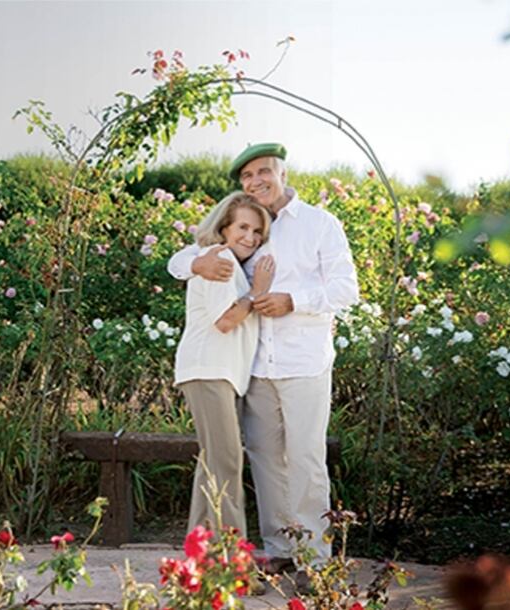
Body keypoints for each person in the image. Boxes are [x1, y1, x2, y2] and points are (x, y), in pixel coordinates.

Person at [168, 143, 359, 576]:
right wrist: (196, 263)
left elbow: (346, 289)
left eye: (264, 172)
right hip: (253, 365)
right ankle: (278, 546)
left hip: (304, 361)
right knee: (264, 457)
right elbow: (183, 259)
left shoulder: (319, 224)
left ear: (282, 173)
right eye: (248, 176)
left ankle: (314, 558)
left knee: (307, 458)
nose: (256, 182)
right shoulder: (247, 225)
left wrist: (294, 300)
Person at [174, 191, 275, 535]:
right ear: (224, 228)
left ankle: (202, 558)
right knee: (227, 462)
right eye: (243, 227)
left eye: (257, 231)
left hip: (218, 373)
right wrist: (257, 292)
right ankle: (232, 561)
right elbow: (226, 320)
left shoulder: (227, 261)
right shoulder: (219, 258)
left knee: (214, 463)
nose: (251, 237)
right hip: (207, 370)